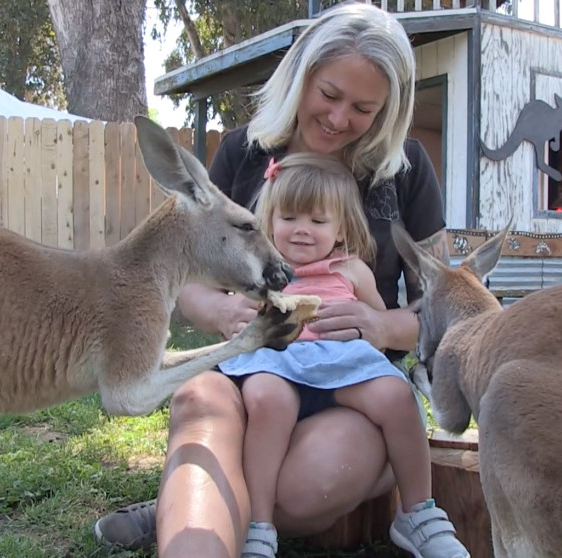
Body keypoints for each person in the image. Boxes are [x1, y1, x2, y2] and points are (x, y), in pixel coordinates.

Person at [93, 3, 458, 558]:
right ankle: (191, 517)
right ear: (301, 77)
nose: (339, 119)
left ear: (391, 108)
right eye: (329, 95)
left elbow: (446, 309)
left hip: (352, 387)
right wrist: (219, 313)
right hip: (247, 369)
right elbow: (188, 282)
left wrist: (381, 325)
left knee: (297, 490)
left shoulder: (406, 167)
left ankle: (185, 499)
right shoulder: (242, 153)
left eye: (363, 107)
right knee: (199, 400)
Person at [212, 152, 467, 558]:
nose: (301, 231)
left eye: (318, 221)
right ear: (268, 219)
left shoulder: (350, 270)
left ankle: (417, 512)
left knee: (397, 397)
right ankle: (258, 526)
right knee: (265, 397)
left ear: (342, 228)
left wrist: (374, 324)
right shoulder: (257, 266)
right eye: (289, 218)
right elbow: (232, 308)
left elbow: (379, 324)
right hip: (277, 362)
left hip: (343, 365)